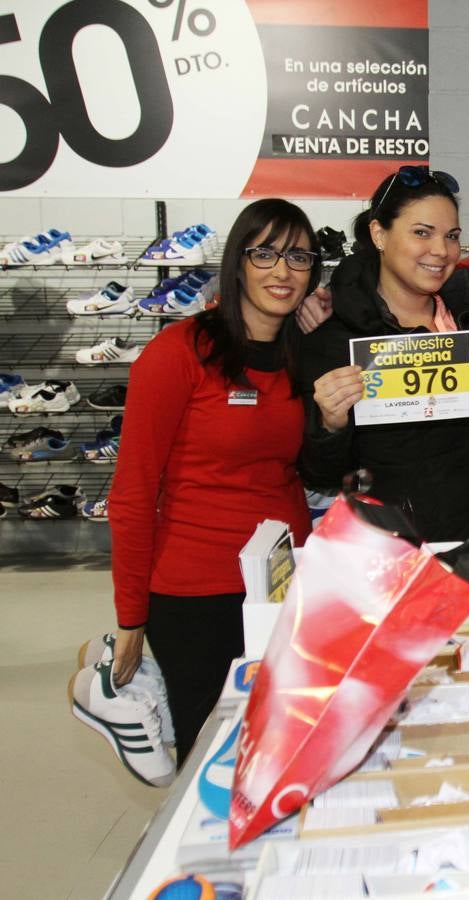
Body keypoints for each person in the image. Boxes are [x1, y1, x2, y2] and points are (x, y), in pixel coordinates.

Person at [109, 199, 321, 762]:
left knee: (280, 750)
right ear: (238, 261)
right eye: (266, 253)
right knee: (211, 762)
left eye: (298, 256)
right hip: (197, 598)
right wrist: (131, 617)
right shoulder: (179, 353)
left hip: (280, 587)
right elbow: (131, 493)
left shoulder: (301, 355)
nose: (283, 270)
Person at [299, 166, 469, 540]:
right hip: (390, 551)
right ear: (379, 234)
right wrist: (330, 424)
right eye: (421, 233)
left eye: (451, 236)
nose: (441, 251)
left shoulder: (467, 319)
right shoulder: (335, 335)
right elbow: (323, 475)